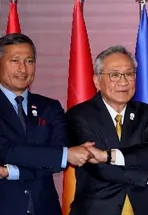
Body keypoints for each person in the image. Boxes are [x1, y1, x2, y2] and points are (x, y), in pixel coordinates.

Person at [66, 45, 148, 215]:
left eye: (129, 74)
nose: (123, 82)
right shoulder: (79, 115)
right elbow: (99, 168)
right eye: (114, 75)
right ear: (96, 81)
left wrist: (108, 156)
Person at [0, 33, 93, 215]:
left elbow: (58, 163)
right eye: (14, 61)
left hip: (45, 208)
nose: (22, 69)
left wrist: (8, 171)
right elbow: (5, 150)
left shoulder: (49, 107)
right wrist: (63, 155)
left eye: (29, 61)